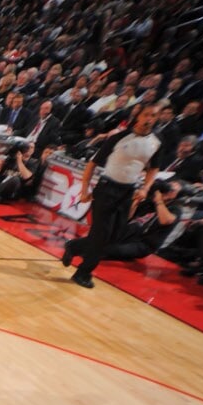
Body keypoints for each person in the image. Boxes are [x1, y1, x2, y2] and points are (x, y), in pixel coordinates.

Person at [68, 105, 162, 288]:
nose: (149, 119)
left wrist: (145, 188)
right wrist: (85, 189)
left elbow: (154, 168)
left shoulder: (156, 143)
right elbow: (92, 163)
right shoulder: (118, 138)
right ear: (138, 116)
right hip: (107, 187)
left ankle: (75, 247)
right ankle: (83, 272)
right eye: (146, 114)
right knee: (101, 235)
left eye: (154, 116)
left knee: (115, 236)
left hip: (128, 191)